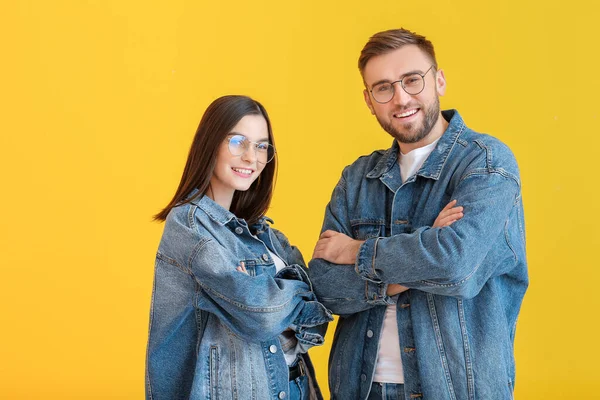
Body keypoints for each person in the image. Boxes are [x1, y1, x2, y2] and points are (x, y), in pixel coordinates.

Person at [309, 28, 528, 400]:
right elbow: (325, 288)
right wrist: (427, 244)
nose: (401, 98)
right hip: (360, 389)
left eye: (412, 80)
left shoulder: (486, 163)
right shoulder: (357, 179)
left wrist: (355, 252)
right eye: (383, 87)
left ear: (439, 80)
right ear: (368, 99)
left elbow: (455, 265)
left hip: (457, 389)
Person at [146, 95, 333, 400]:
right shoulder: (189, 224)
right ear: (211, 144)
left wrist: (274, 294)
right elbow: (261, 315)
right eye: (238, 142)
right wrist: (301, 287)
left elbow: (317, 324)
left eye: (261, 146)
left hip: (295, 387)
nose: (251, 157)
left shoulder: (264, 234)